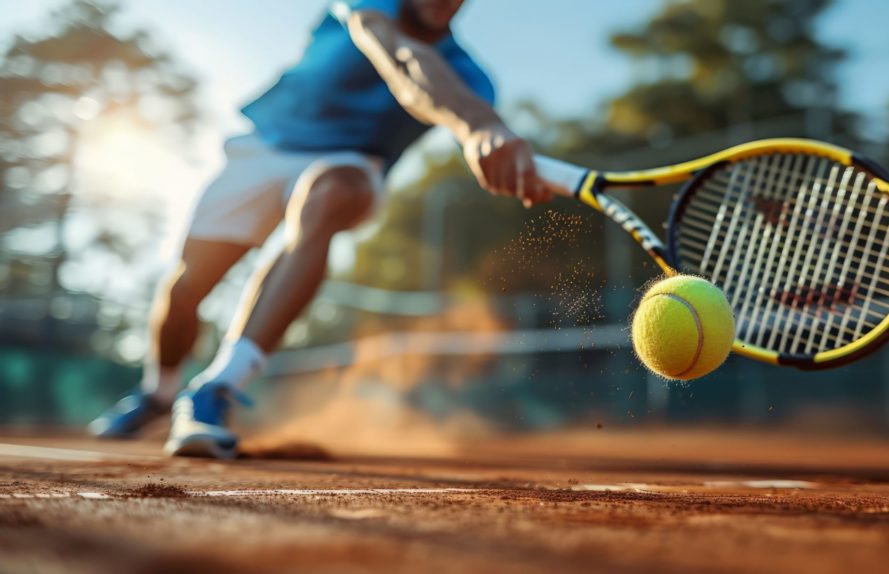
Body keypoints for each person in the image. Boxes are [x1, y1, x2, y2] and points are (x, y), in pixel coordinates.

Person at [88, 0, 551, 458]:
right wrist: (482, 125)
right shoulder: (366, 5)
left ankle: (216, 389)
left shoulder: (471, 78)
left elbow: (455, 101)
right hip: (264, 149)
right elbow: (402, 56)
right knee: (188, 287)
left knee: (328, 196)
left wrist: (487, 129)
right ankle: (159, 393)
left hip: (350, 164)